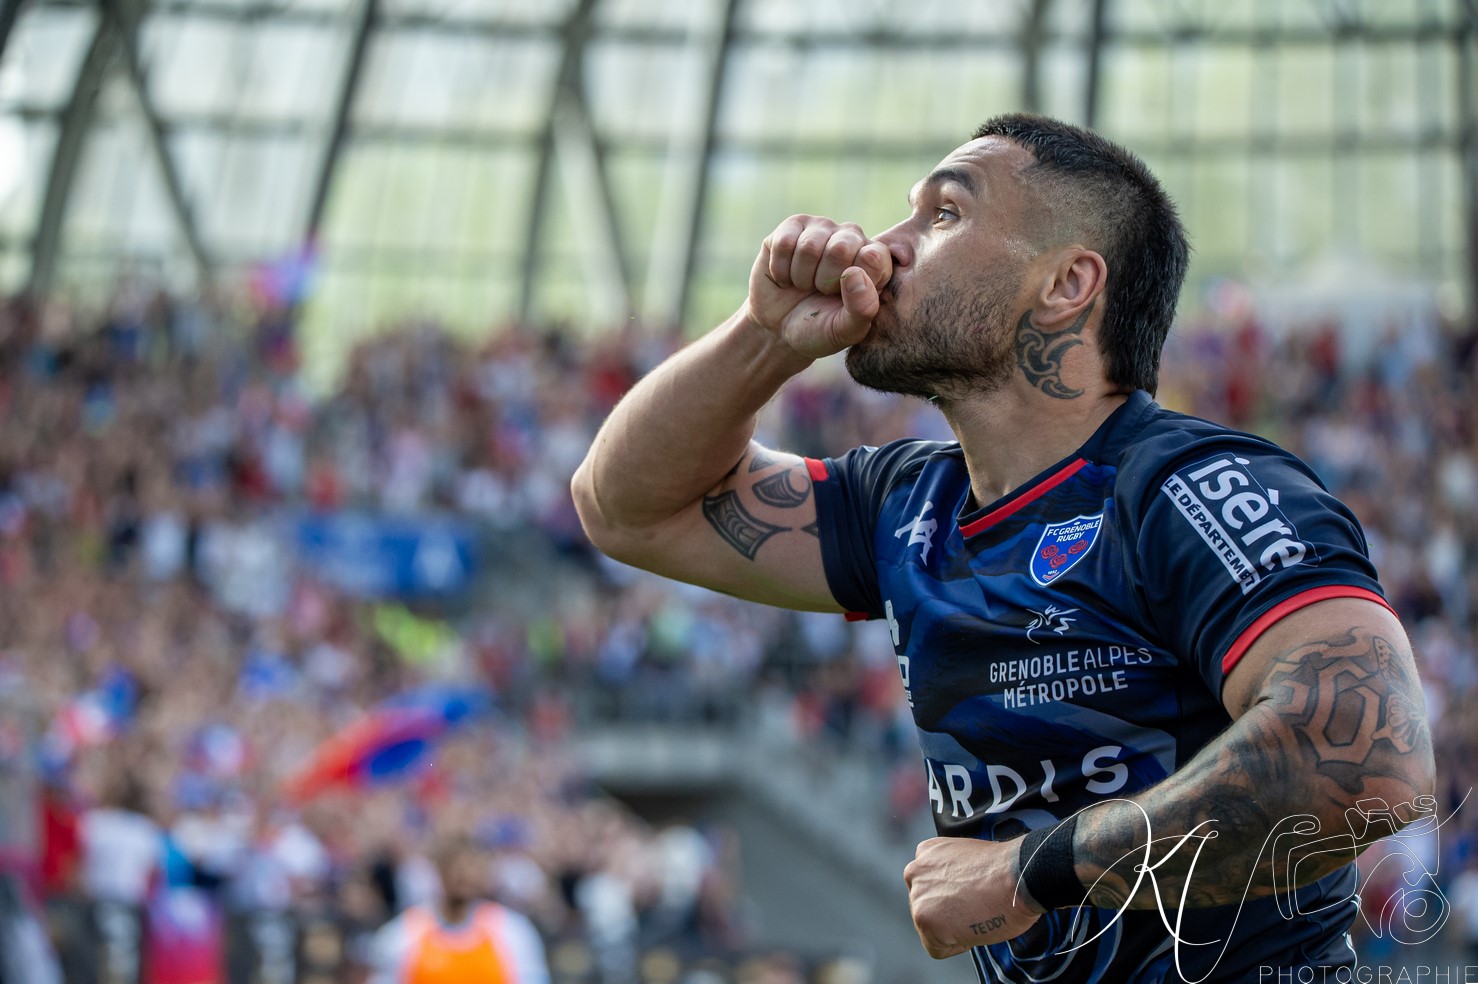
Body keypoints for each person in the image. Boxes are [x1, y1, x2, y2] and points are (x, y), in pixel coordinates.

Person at [571, 113, 1436, 982]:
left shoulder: (1190, 487)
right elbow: (627, 508)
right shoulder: (906, 504)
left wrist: (1030, 872)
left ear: (1066, 283)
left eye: (944, 215)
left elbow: (1371, 762)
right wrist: (763, 336)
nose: (883, 248)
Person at [369, 835, 550, 984]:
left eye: (470, 866)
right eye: (453, 866)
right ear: (438, 870)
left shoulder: (512, 931)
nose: (462, 875)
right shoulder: (402, 935)